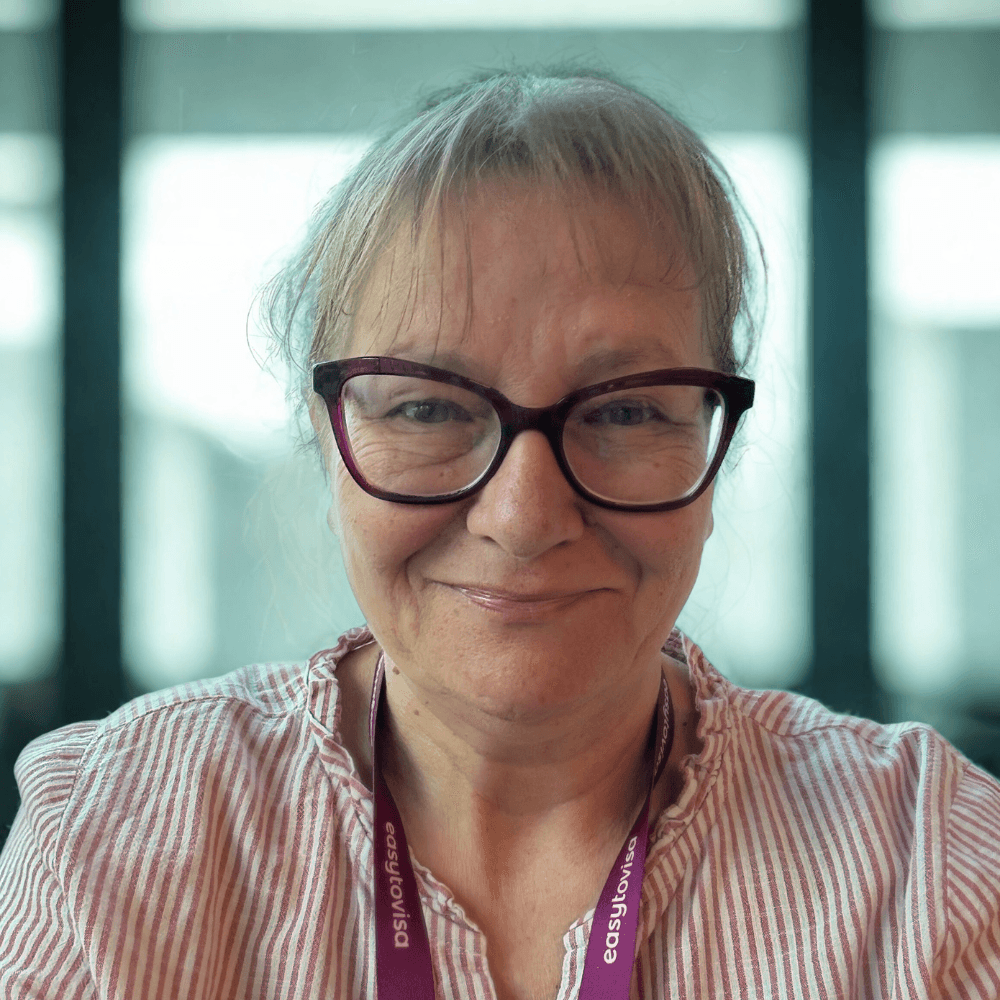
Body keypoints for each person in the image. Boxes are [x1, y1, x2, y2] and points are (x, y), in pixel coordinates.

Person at [1, 68, 999, 1000]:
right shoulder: (119, 831)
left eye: (624, 412)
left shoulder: (921, 868)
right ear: (326, 433)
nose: (523, 517)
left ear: (715, 442)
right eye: (428, 409)